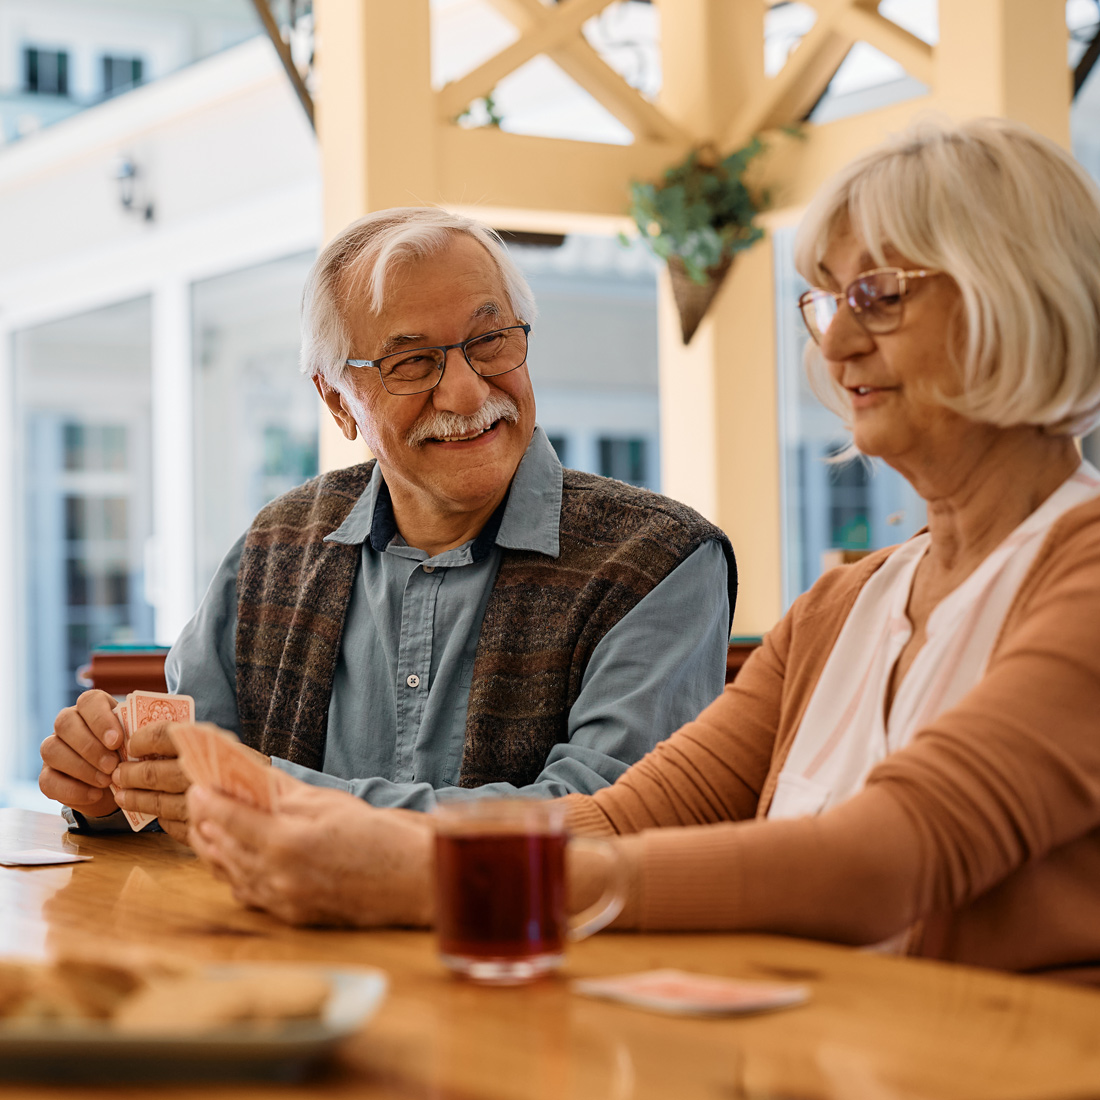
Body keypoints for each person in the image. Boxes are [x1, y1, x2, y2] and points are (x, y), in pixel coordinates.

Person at [185, 118, 1100, 982]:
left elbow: (885, 860)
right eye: (828, 300)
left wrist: (423, 875)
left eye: (880, 295)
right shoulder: (845, 606)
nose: (841, 341)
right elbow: (619, 822)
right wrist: (356, 840)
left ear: (1018, 299)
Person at [39, 208, 737, 843]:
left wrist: (269, 795)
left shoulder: (660, 561)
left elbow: (603, 822)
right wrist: (108, 787)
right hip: (286, 970)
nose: (467, 391)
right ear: (338, 402)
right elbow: (185, 788)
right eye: (411, 363)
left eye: (490, 340)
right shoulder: (272, 548)